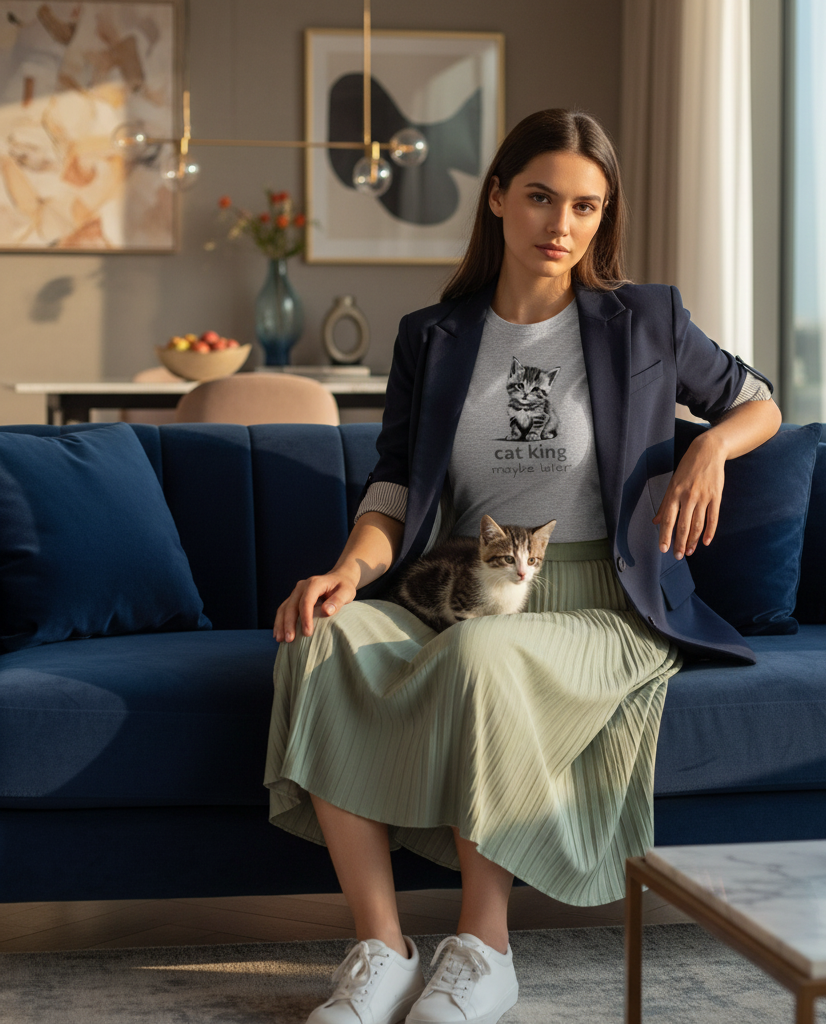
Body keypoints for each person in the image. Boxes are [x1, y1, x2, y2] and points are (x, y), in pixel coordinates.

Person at [267, 108, 781, 1024]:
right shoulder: (433, 336)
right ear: (498, 195)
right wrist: (348, 569)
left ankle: (485, 950)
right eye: (542, 197)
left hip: (600, 605)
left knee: (483, 657)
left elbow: (760, 401)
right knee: (322, 636)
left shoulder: (646, 320)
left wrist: (708, 451)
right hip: (464, 588)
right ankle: (381, 949)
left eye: (587, 207)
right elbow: (394, 485)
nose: (562, 226)